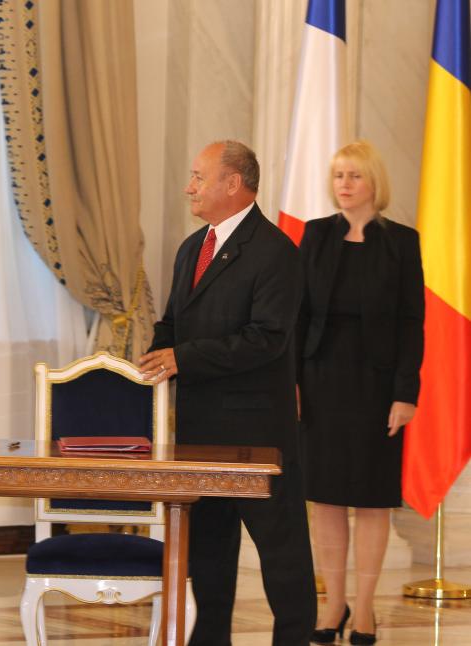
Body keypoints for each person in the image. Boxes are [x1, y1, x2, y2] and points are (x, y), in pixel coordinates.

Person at [139, 140, 317, 645]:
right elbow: (173, 324)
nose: (189, 187)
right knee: (210, 552)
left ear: (233, 183)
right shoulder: (191, 248)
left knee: (282, 556)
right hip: (200, 431)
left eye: (199, 176)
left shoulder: (276, 252)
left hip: (258, 434)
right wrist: (153, 358)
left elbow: (267, 339)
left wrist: (184, 358)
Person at [298, 141, 424, 645]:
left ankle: (365, 607)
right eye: (338, 176)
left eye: (354, 176)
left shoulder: (402, 242)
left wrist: (405, 393)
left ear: (374, 183)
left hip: (377, 387)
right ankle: (334, 605)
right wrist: (293, 383)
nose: (344, 185)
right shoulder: (315, 235)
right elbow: (298, 314)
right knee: (326, 499)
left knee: (372, 500)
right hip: (321, 381)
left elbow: (412, 323)